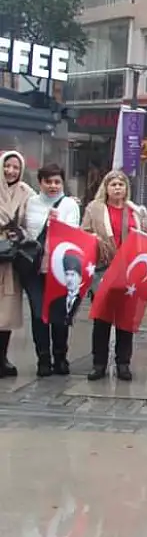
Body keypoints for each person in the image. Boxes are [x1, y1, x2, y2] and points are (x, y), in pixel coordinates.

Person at [81, 170, 147, 381]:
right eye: (113, 184)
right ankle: (99, 363)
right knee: (102, 319)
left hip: (129, 272)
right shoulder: (94, 208)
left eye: (121, 184)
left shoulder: (136, 211)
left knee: (125, 319)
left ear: (126, 188)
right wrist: (93, 238)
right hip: (103, 269)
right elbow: (83, 233)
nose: (117, 188)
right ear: (106, 187)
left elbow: (146, 237)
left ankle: (123, 363)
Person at [22, 163, 82, 377]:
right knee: (39, 315)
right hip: (35, 270)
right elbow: (26, 233)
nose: (53, 186)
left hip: (60, 269)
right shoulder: (31, 203)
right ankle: (43, 359)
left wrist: (58, 226)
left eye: (57, 182)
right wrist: (45, 226)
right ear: (40, 183)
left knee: (59, 315)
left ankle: (60, 357)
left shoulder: (69, 205)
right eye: (48, 182)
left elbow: (73, 235)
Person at [0, 151, 32, 378]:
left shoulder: (27, 193)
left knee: (7, 311)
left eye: (15, 167)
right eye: (7, 166)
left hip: (11, 258)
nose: (11, 171)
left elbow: (32, 220)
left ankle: (2, 358)